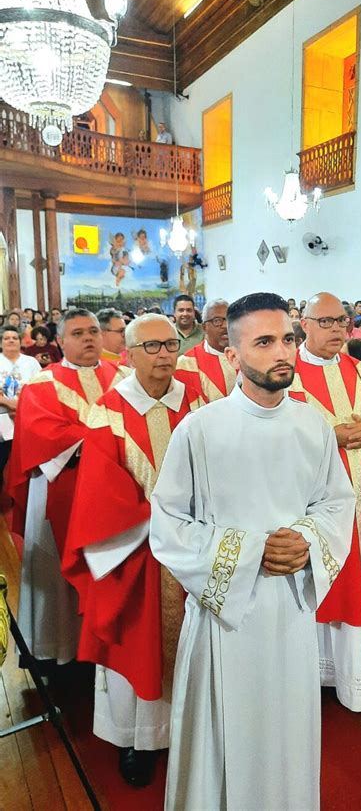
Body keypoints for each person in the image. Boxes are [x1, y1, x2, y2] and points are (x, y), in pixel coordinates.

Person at [150, 292, 361, 811]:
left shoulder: (312, 424)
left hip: (290, 610)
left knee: (287, 728)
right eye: (265, 341)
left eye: (289, 339)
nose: (283, 352)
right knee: (223, 736)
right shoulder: (200, 431)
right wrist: (250, 553)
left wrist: (310, 541)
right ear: (233, 355)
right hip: (224, 616)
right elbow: (168, 525)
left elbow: (336, 504)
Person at [63, 315, 204, 786]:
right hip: (139, 554)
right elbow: (100, 494)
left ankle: (194, 732)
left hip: (198, 549)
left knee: (196, 645)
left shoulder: (201, 400)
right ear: (128, 353)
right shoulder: (109, 409)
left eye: (171, 344)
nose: (165, 354)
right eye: (152, 346)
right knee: (137, 642)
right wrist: (159, 520)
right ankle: (138, 739)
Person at [8, 309, 127, 665]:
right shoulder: (42, 384)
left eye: (93, 331)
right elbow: (42, 436)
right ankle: (59, 649)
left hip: (117, 492)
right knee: (57, 572)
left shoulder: (122, 376)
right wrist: (104, 441)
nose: (89, 338)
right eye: (78, 333)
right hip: (63, 487)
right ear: (60, 341)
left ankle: (109, 643)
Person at [291, 293, 361, 615]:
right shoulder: (283, 375)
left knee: (358, 574)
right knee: (312, 590)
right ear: (305, 325)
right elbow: (268, 432)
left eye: (342, 321)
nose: (336, 329)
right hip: (309, 495)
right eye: (325, 322)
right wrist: (328, 437)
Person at [0, 326, 41, 485]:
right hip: (2, 418)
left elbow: (41, 388)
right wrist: (10, 404)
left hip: (27, 419)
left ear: (20, 342)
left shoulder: (30, 362)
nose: (11, 340)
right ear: (1, 342)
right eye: (6, 338)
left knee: (27, 463)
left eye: (14, 338)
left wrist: (22, 406)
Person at [175, 299, 236, 402]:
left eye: (229, 319)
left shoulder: (249, 358)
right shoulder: (185, 364)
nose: (225, 326)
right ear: (204, 327)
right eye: (217, 321)